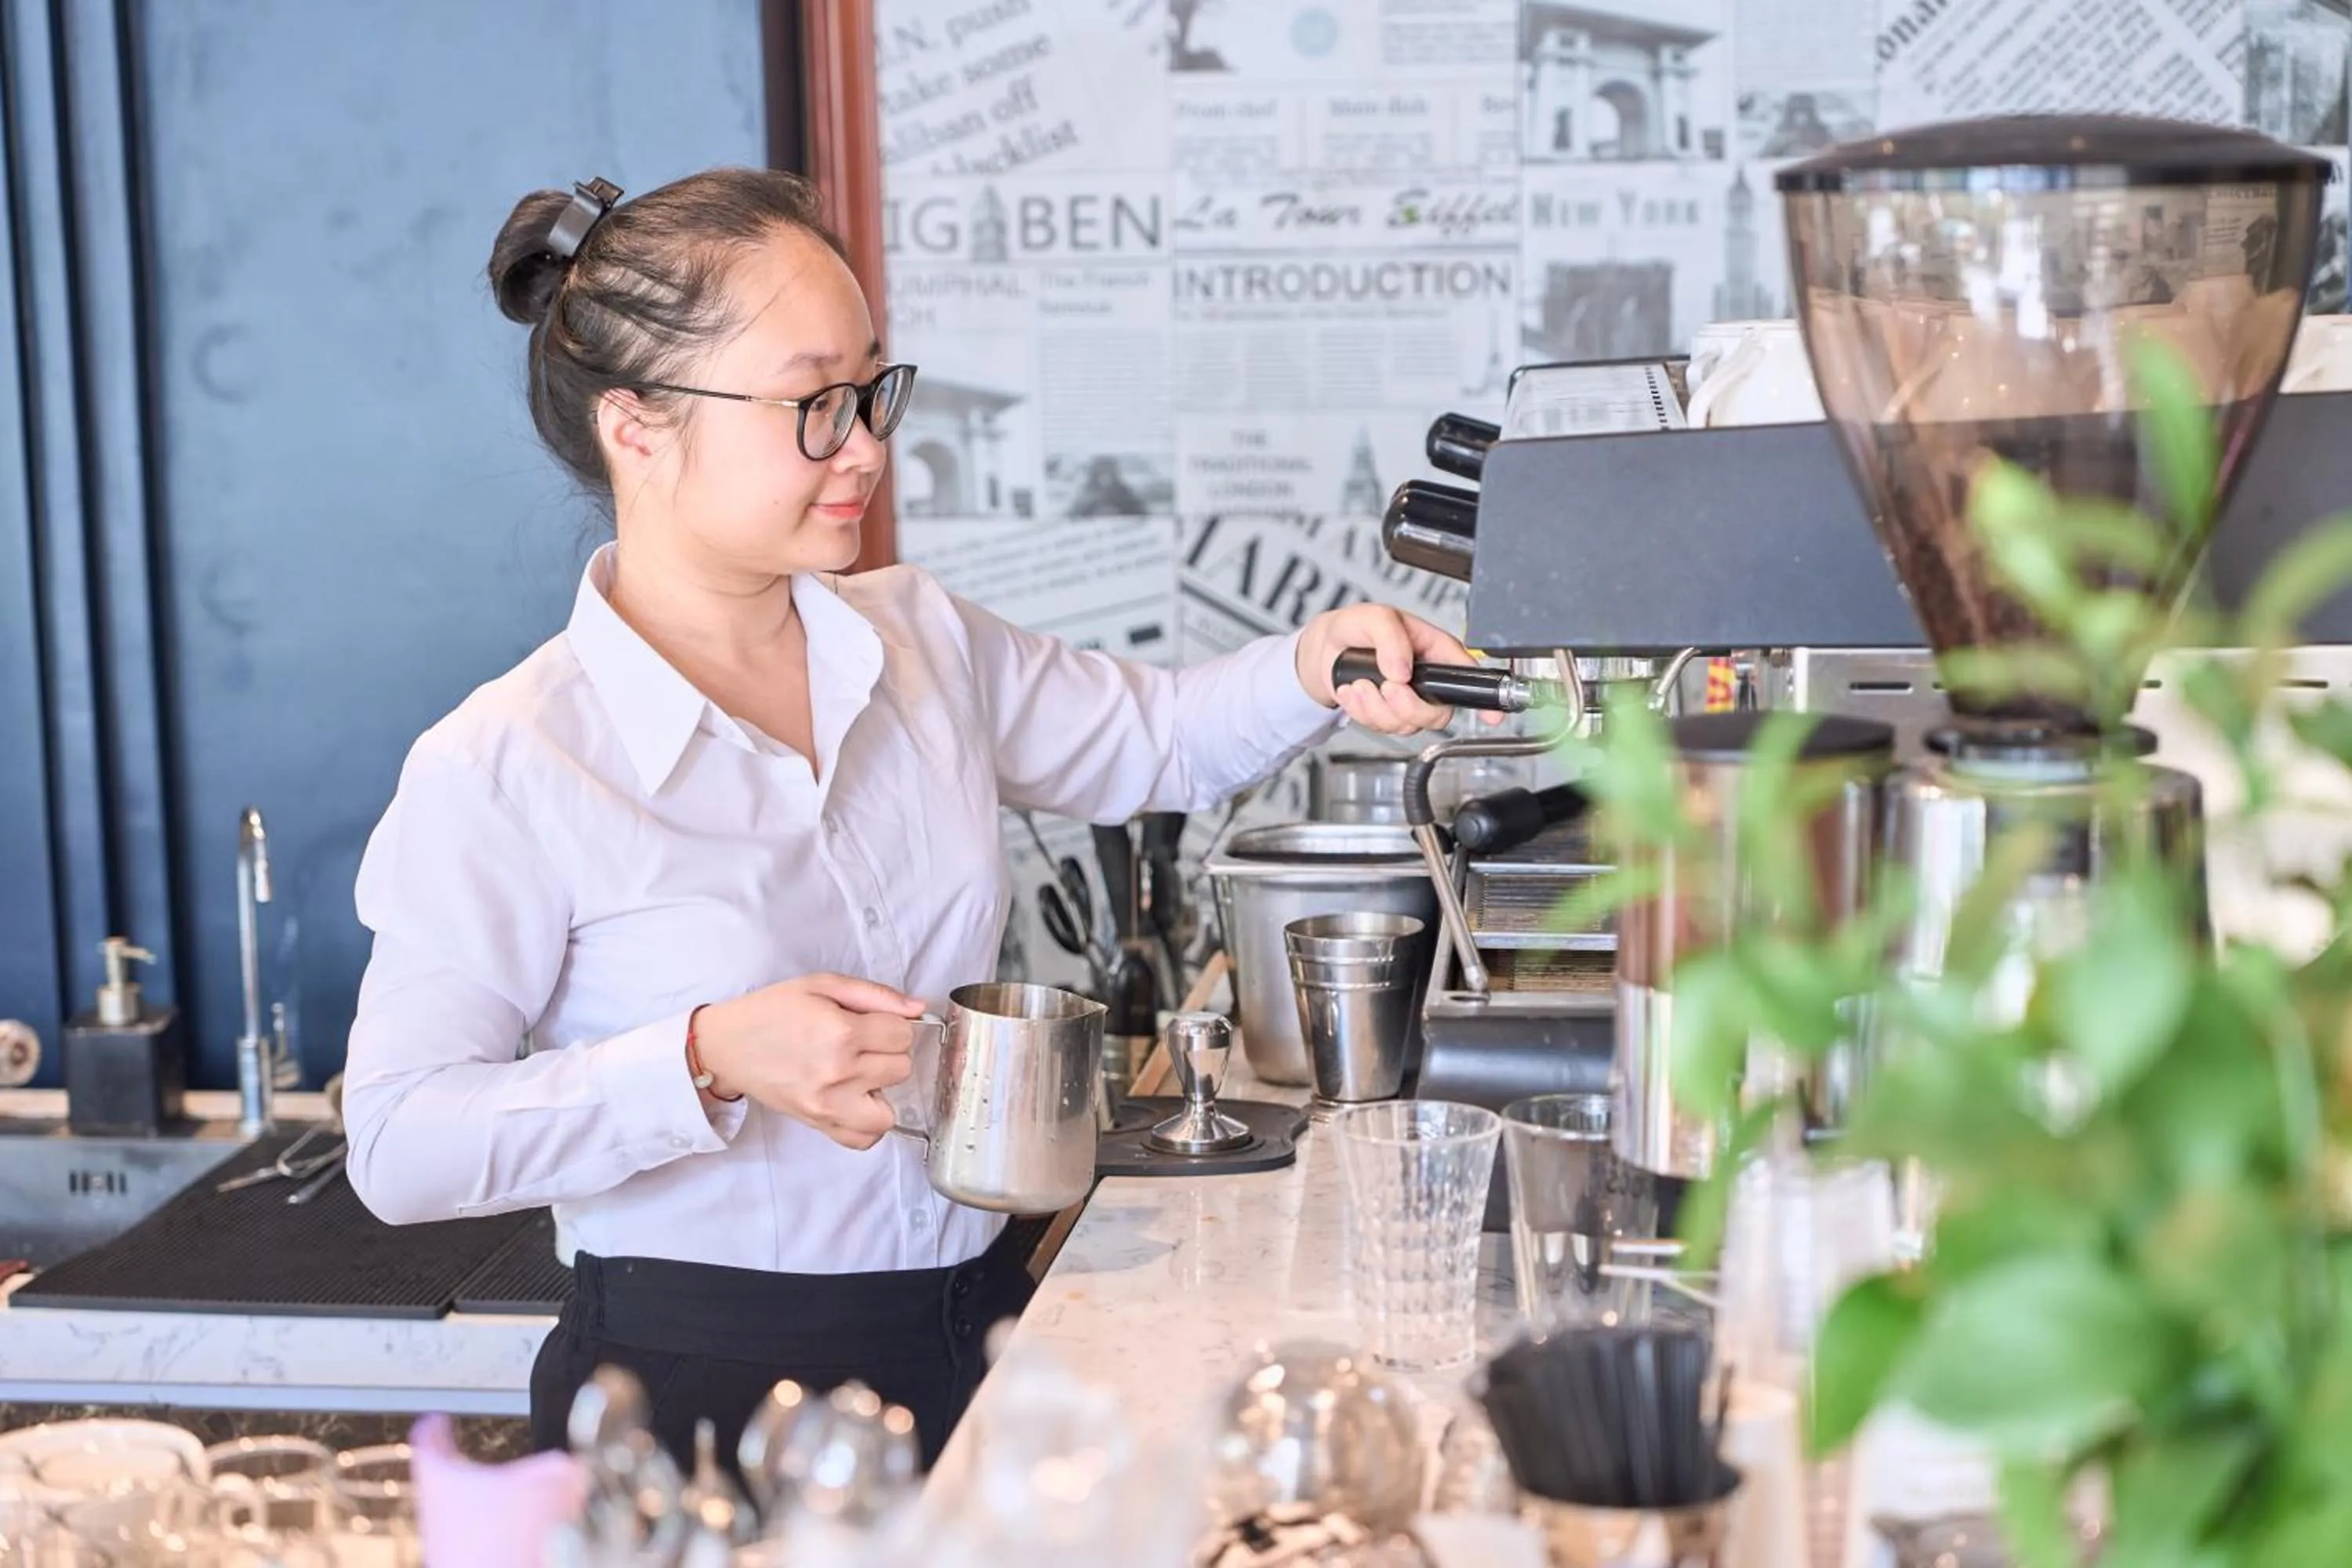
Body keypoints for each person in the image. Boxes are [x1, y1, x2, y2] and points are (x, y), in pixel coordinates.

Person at [339, 168, 1475, 1469]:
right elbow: (401, 1143)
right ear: (636, 427)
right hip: (697, 1398)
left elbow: (1154, 739)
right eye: (813, 404)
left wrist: (1317, 662)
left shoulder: (915, 638)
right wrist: (706, 1057)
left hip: (978, 1333)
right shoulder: (510, 761)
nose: (867, 448)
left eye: (872, 390)